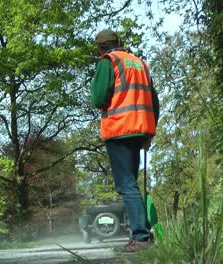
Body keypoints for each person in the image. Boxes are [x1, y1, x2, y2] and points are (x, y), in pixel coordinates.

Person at [89, 29, 160, 252]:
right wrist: (149, 131)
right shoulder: (139, 63)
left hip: (119, 128)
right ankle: (140, 234)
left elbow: (98, 97)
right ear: (118, 43)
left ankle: (141, 237)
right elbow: (153, 99)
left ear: (100, 48)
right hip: (140, 128)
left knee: (126, 184)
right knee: (132, 184)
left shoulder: (107, 62)